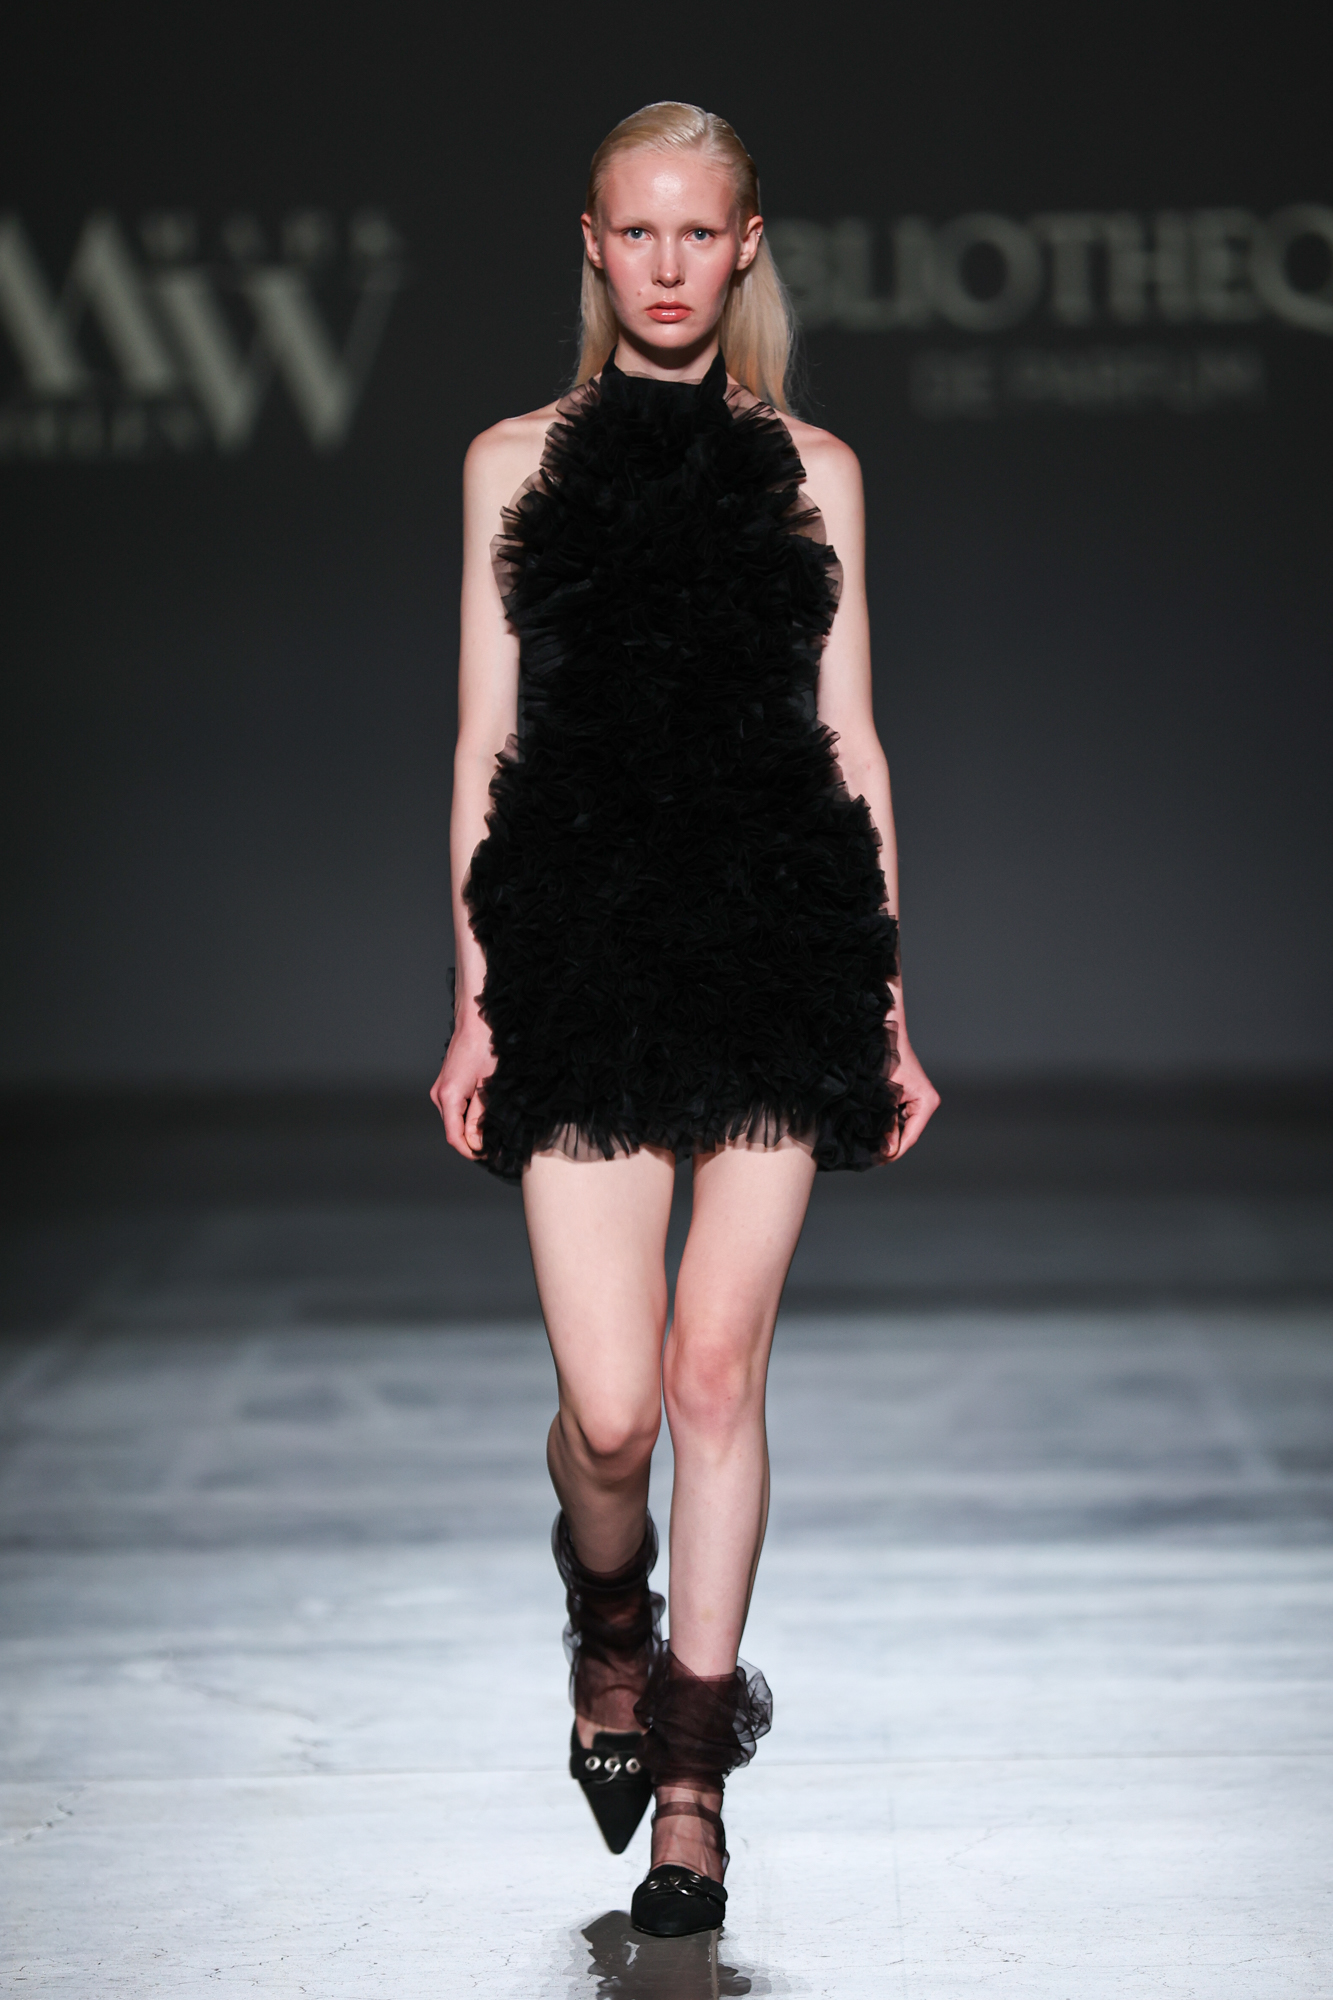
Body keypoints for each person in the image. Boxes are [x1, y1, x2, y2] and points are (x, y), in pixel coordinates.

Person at [431, 101, 939, 1938]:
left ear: (744, 247)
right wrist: (476, 1001)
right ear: (592, 244)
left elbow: (849, 741)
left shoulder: (815, 471)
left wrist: (886, 998)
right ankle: (605, 1619)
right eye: (633, 232)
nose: (665, 265)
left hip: (774, 947)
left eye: (695, 233)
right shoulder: (511, 464)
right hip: (578, 948)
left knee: (717, 1374)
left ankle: (693, 1790)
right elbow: (486, 749)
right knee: (613, 1413)